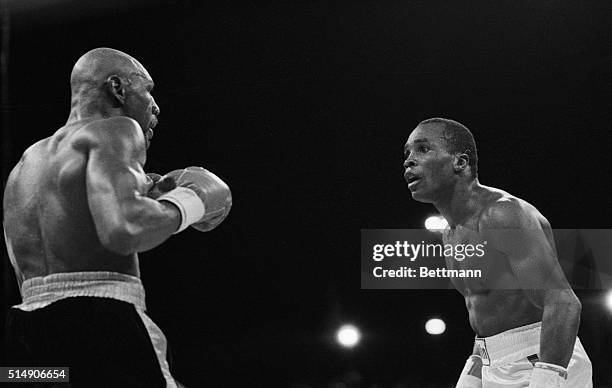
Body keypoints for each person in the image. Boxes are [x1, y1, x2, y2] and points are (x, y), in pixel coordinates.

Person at [3, 47, 232, 387]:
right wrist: (191, 200)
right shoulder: (117, 129)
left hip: (25, 341)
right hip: (100, 325)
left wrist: (146, 192)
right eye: (148, 90)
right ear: (118, 88)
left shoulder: (25, 166)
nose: (155, 106)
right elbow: (127, 228)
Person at [403, 118, 592, 387]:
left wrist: (548, 377)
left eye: (422, 149)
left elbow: (564, 304)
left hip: (545, 356)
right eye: (407, 152)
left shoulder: (502, 214)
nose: (409, 160)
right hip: (494, 362)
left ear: (460, 162)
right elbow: (487, 313)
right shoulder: (450, 233)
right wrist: (475, 368)